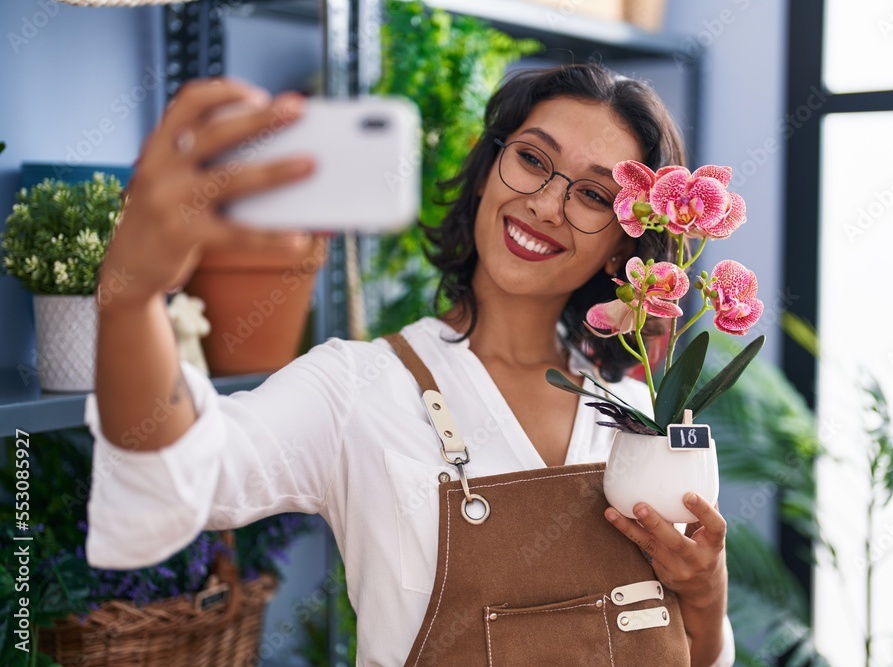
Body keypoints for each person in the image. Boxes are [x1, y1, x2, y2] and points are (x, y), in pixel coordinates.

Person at [86, 63, 735, 666]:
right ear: (488, 170)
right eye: (531, 158)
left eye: (593, 194)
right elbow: (179, 466)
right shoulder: (356, 388)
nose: (544, 203)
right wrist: (131, 297)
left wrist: (705, 593)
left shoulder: (638, 408)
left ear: (622, 243)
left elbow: (693, 651)